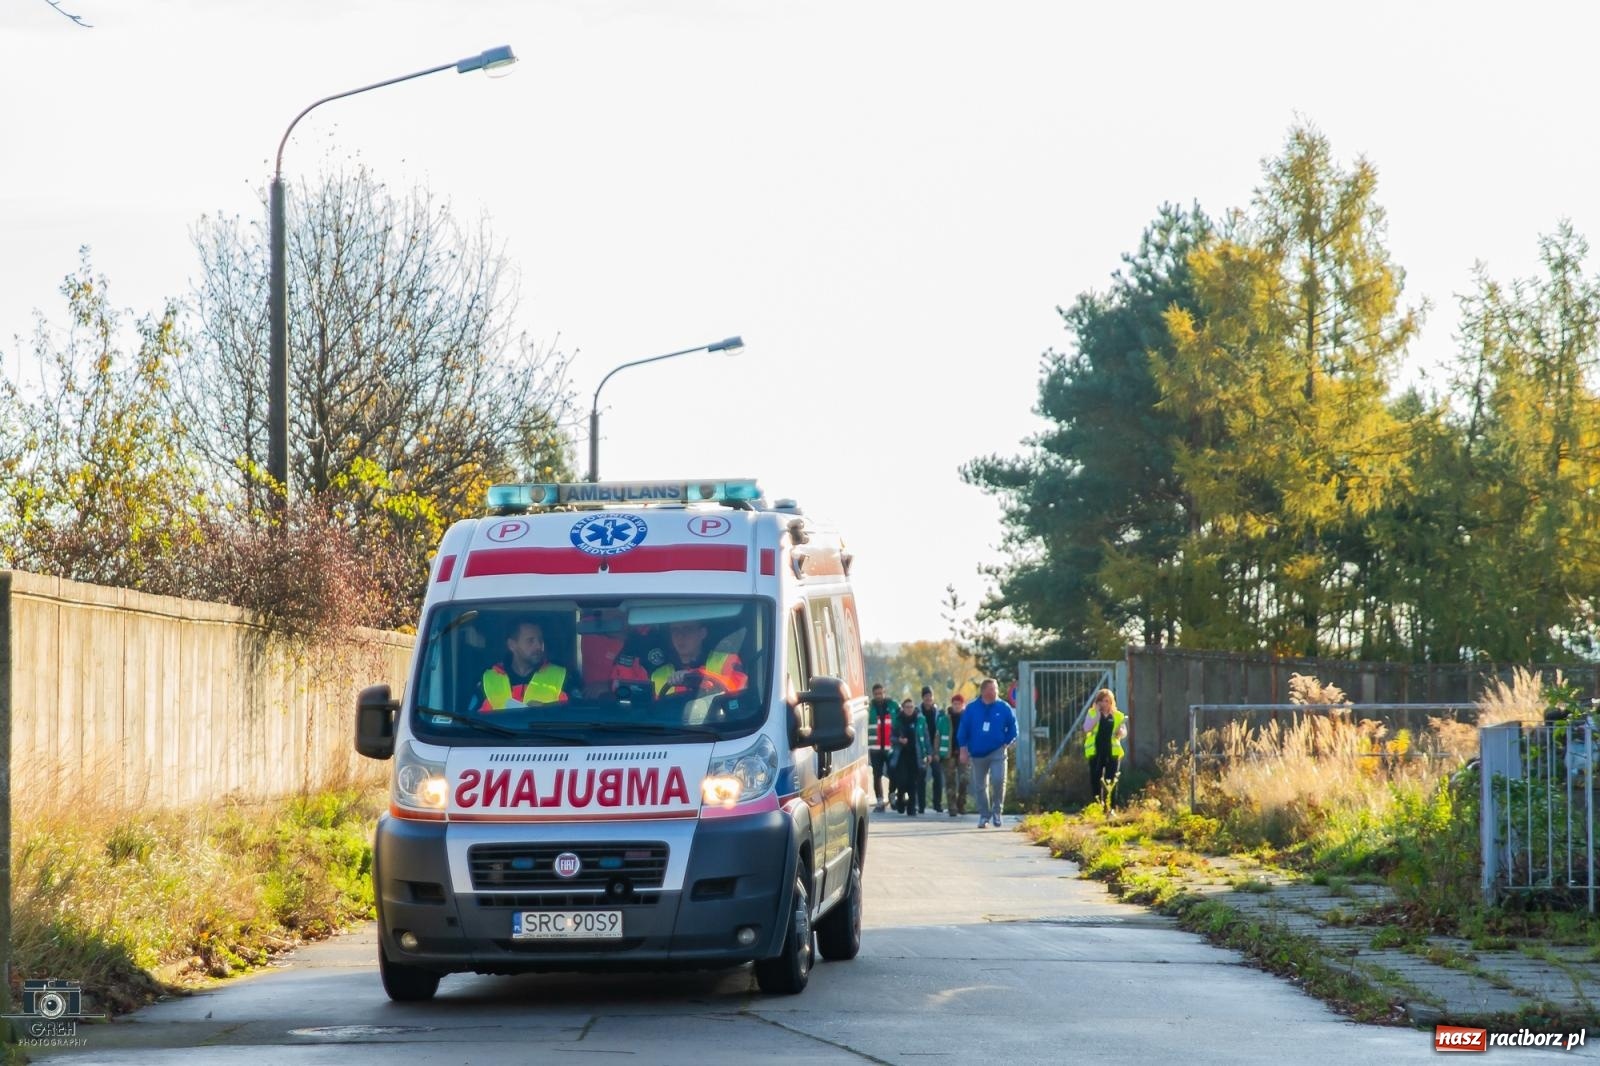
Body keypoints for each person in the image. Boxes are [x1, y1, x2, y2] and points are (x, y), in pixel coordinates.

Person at [613, 620, 746, 697]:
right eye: (675, 630)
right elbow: (648, 710)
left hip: (718, 728)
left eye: (687, 629)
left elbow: (739, 688)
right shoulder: (658, 674)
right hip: (672, 733)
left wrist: (697, 675)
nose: (680, 636)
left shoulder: (726, 660)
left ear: (702, 633)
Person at [474, 619, 576, 711]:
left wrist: (547, 708)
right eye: (530, 641)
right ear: (512, 645)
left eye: (540, 640)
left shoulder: (562, 676)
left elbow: (577, 709)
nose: (539, 646)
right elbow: (472, 717)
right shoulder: (487, 679)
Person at [956, 678, 1018, 828]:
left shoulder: (1003, 707)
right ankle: (984, 816)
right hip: (977, 753)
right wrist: (963, 750)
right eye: (991, 689)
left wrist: (1006, 742)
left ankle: (997, 812)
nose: (995, 691)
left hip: (997, 751)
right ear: (983, 691)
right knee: (980, 786)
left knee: (998, 780)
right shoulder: (972, 708)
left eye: (996, 688)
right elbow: (963, 730)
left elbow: (1013, 728)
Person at [1083, 687, 1128, 806]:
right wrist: (1097, 715)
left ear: (1111, 702)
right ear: (1097, 702)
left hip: (1112, 751)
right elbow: (1087, 728)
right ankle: (1097, 805)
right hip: (1096, 751)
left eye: (1107, 701)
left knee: (1111, 779)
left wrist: (1120, 732)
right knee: (1095, 779)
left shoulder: (1118, 715)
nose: (1104, 704)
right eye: (1101, 701)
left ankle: (1111, 807)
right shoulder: (1092, 713)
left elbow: (1124, 732)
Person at [891, 697, 926, 816]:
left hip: (915, 755)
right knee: (902, 781)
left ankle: (911, 807)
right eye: (907, 707)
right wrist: (899, 740)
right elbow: (891, 737)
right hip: (901, 755)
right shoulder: (898, 720)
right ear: (903, 708)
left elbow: (925, 737)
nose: (909, 709)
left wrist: (928, 753)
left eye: (911, 707)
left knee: (913, 782)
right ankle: (900, 800)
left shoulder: (919, 720)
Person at [867, 683, 896, 812]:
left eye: (880, 693)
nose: (879, 696)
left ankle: (892, 796)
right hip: (875, 748)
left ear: (884, 693)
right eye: (876, 694)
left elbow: (900, 719)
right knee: (877, 774)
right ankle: (880, 800)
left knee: (892, 772)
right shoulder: (869, 708)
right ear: (873, 695)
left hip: (890, 746)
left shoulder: (893, 705)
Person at [919, 686, 947, 813]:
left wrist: (938, 751)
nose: (928, 698)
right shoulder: (918, 713)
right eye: (926, 696)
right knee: (921, 777)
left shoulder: (939, 713)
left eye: (930, 696)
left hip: (935, 750)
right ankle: (921, 805)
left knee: (938, 776)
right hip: (923, 749)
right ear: (922, 698)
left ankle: (937, 804)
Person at [943, 692, 968, 816]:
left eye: (959, 704)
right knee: (950, 781)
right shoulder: (945, 718)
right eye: (955, 704)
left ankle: (961, 803)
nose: (957, 706)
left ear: (963, 705)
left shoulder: (968, 718)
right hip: (949, 753)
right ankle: (952, 806)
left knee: (964, 779)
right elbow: (938, 735)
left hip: (964, 753)